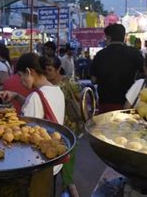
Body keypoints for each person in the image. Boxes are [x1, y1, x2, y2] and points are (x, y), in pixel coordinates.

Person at [0, 53, 65, 175]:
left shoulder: (35, 97)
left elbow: (27, 134)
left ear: (29, 72)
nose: (21, 80)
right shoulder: (57, 90)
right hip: (55, 161)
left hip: (40, 164)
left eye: (21, 75)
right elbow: (40, 109)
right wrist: (17, 96)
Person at [42, 56, 82, 197]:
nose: (47, 73)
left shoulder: (70, 83)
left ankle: (69, 184)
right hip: (54, 127)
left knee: (68, 157)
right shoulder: (46, 86)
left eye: (50, 70)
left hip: (70, 125)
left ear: (59, 69)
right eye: (45, 70)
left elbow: (81, 101)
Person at [91, 24, 144, 113]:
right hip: (128, 102)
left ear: (108, 37)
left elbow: (93, 79)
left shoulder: (100, 55)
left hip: (106, 103)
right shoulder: (134, 53)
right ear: (124, 37)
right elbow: (145, 73)